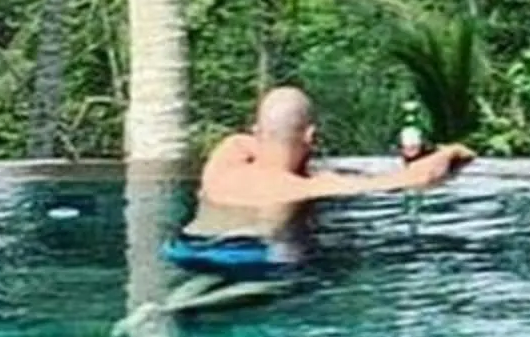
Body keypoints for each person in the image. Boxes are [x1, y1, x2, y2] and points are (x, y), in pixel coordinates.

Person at [188, 83, 473, 228]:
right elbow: (416, 178)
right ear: (311, 137)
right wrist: (454, 151)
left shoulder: (222, 165)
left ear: (256, 130)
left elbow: (244, 141)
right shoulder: (309, 188)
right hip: (254, 261)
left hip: (192, 250)